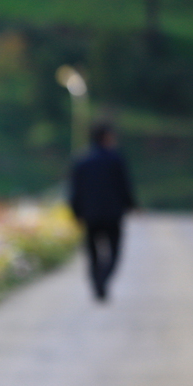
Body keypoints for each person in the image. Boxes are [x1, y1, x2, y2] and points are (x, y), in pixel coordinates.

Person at [68, 121, 137, 302]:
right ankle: (103, 279)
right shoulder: (116, 159)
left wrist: (75, 212)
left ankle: (97, 283)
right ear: (107, 137)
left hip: (90, 215)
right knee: (114, 252)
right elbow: (125, 187)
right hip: (113, 214)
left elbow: (75, 190)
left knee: (92, 253)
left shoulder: (81, 160)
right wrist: (131, 205)